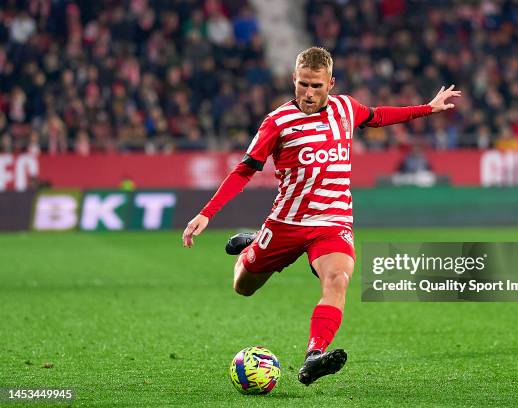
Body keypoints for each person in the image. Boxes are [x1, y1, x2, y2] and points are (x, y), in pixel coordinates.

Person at [182, 47, 460, 385]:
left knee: (337, 280)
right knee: (243, 286)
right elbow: (244, 171)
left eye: (316, 86)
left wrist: (427, 109)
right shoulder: (277, 122)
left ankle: (314, 356)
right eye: (302, 85)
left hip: (331, 222)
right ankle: (251, 243)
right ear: (293, 81)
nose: (308, 94)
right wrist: (207, 213)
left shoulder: (346, 108)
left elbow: (380, 115)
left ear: (331, 83)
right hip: (286, 222)